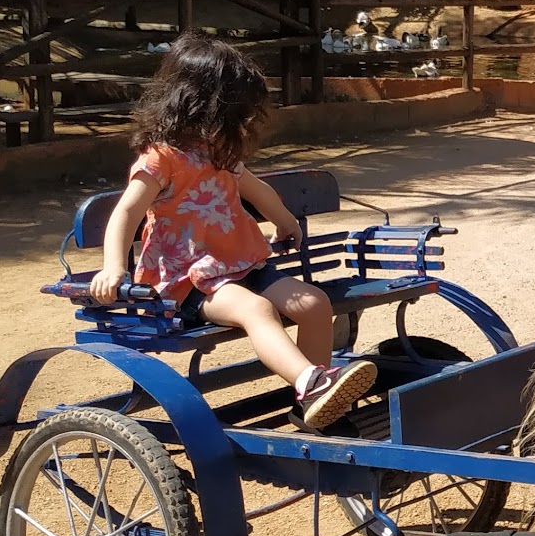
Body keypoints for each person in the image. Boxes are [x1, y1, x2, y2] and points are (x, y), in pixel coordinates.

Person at [88, 34, 377, 432]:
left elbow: (256, 189)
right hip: (189, 282)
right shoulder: (160, 159)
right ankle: (311, 383)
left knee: (313, 303)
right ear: (198, 103)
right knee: (256, 309)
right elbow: (126, 212)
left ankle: (308, 405)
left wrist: (284, 221)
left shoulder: (218, 149)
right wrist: (112, 267)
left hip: (240, 264)